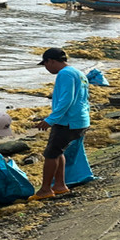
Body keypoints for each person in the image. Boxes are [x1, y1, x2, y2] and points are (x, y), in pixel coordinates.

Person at [30, 48, 90, 201]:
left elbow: (66, 100)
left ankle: (45, 189)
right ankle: (60, 185)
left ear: (51, 61)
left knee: (50, 154)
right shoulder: (79, 73)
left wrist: (50, 120)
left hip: (67, 122)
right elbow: (83, 99)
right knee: (58, 151)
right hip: (80, 120)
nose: (46, 68)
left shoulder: (65, 74)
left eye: (45, 64)